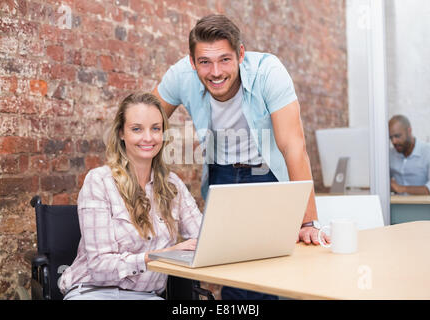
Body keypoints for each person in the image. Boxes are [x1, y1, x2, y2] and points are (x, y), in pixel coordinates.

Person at [152, 14, 328, 300]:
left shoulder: (268, 71)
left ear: (241, 54)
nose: (215, 71)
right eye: (204, 62)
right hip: (222, 174)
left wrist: (308, 221)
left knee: (266, 266)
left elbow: (293, 145)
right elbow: (145, 116)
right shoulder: (181, 75)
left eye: (224, 60)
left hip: (266, 172)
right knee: (232, 265)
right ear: (192, 60)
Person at [58, 92, 202, 300]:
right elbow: (100, 267)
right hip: (93, 292)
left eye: (156, 128)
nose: (148, 138)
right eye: (136, 129)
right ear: (121, 133)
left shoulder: (172, 185)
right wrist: (161, 256)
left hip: (147, 296)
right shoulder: (99, 181)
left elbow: (204, 239)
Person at [389, 115, 430, 195]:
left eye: (397, 136)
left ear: (409, 131)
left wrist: (402, 189)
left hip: (424, 206)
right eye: (391, 138)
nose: (394, 141)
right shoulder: (390, 155)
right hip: (397, 205)